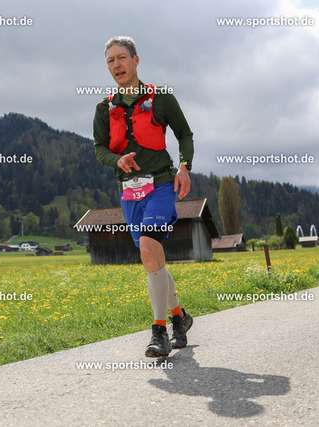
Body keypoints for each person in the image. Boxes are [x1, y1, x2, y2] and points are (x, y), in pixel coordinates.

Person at [92, 36, 194, 357]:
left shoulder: (161, 98)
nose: (117, 65)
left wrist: (184, 167)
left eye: (122, 58)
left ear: (136, 60)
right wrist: (116, 159)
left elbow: (184, 134)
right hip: (129, 192)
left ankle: (159, 332)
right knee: (153, 258)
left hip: (161, 185)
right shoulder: (104, 108)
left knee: (149, 249)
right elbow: (99, 149)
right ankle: (179, 317)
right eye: (110, 61)